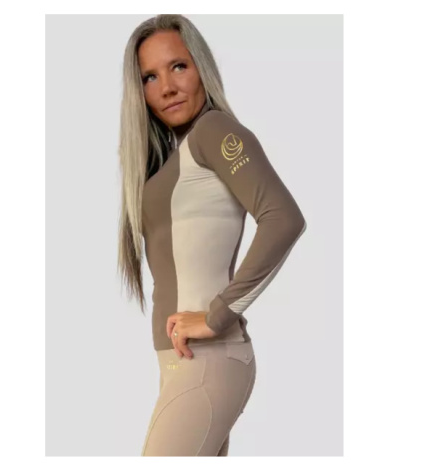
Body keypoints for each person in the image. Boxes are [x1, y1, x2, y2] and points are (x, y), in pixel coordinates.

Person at [117, 14, 307, 456]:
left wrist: (216, 316)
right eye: (150, 76)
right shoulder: (173, 156)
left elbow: (283, 218)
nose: (167, 87)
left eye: (179, 66)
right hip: (182, 366)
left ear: (202, 66)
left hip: (209, 360)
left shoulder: (214, 131)